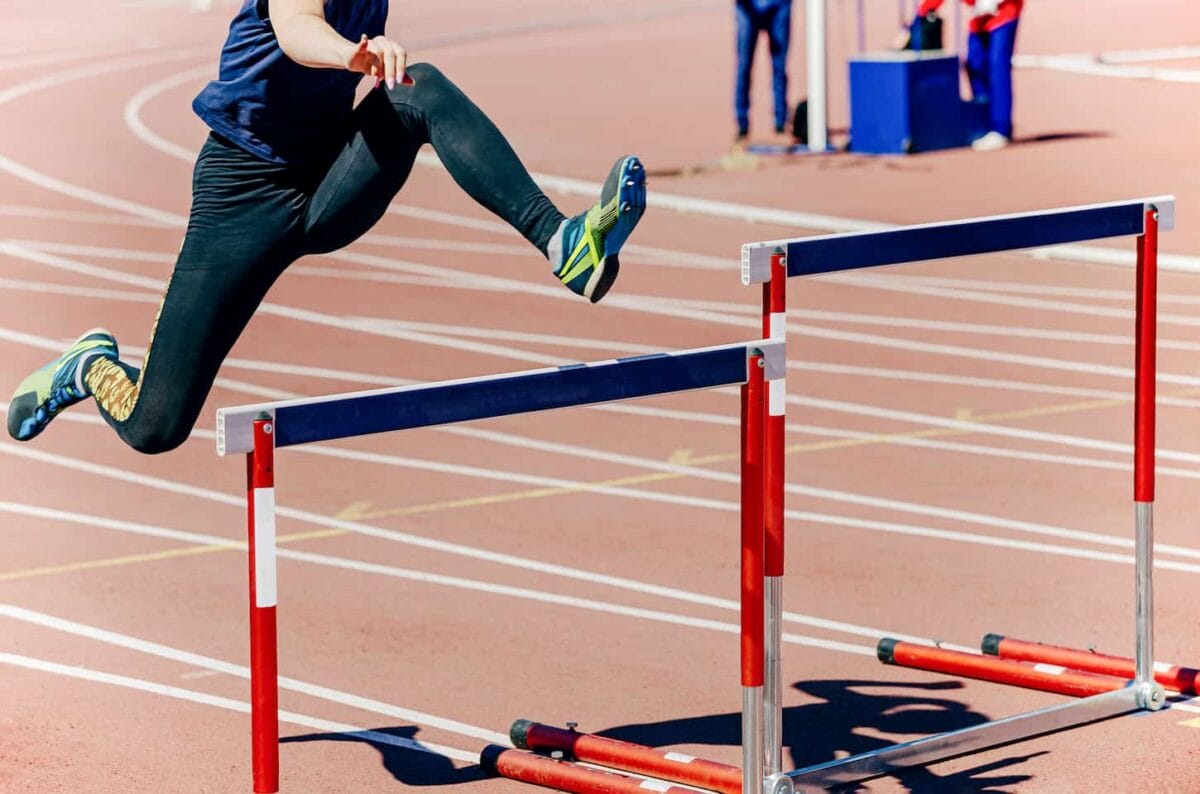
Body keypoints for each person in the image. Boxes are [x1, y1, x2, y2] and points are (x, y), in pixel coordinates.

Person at [7, 0, 647, 453]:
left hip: (327, 180)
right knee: (156, 428)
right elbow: (295, 28)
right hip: (242, 193)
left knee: (420, 88)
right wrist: (354, 55)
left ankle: (564, 241)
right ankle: (89, 365)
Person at [915, 0, 1023, 150]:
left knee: (998, 65)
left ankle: (1000, 128)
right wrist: (922, 12)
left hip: (1004, 11)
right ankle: (982, 122)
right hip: (979, 16)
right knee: (975, 64)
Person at [734, 0, 793, 146]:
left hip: (778, 6)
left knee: (779, 67)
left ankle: (780, 122)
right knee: (744, 68)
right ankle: (742, 123)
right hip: (747, 9)